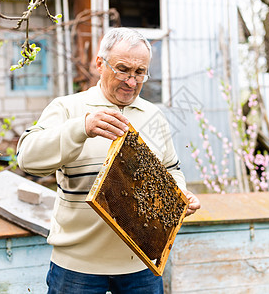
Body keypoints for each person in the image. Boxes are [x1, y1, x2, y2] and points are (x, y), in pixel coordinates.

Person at [16, 27, 201, 294]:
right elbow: (27, 157)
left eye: (140, 73)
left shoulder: (154, 114)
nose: (131, 81)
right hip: (77, 269)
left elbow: (171, 168)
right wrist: (82, 128)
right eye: (123, 69)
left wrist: (180, 194)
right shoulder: (68, 108)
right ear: (100, 64)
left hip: (141, 267)